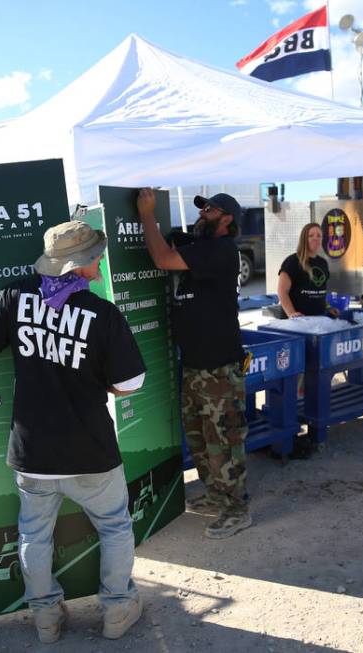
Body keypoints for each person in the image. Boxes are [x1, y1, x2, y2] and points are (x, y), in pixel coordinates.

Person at [0, 221, 146, 643]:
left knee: (34, 535)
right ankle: (117, 610)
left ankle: (46, 618)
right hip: (90, 452)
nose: (100, 261)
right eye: (96, 256)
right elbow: (129, 384)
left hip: (32, 452)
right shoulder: (102, 314)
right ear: (80, 265)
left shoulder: (15, 296)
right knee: (115, 526)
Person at [137, 189, 251, 539]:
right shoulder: (201, 247)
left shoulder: (220, 250)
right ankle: (217, 495)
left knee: (223, 442)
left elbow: (162, 258)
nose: (203, 213)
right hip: (196, 367)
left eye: (211, 210)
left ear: (227, 219)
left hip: (219, 369)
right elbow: (178, 244)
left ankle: (236, 509)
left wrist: (146, 215)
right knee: (200, 440)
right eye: (202, 208)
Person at [278, 223, 330, 317]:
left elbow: (320, 292)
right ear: (304, 239)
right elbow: (282, 291)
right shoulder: (292, 261)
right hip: (297, 322)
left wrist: (328, 308)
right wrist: (291, 313)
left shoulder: (323, 263)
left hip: (319, 320)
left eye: (319, 236)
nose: (315, 238)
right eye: (311, 235)